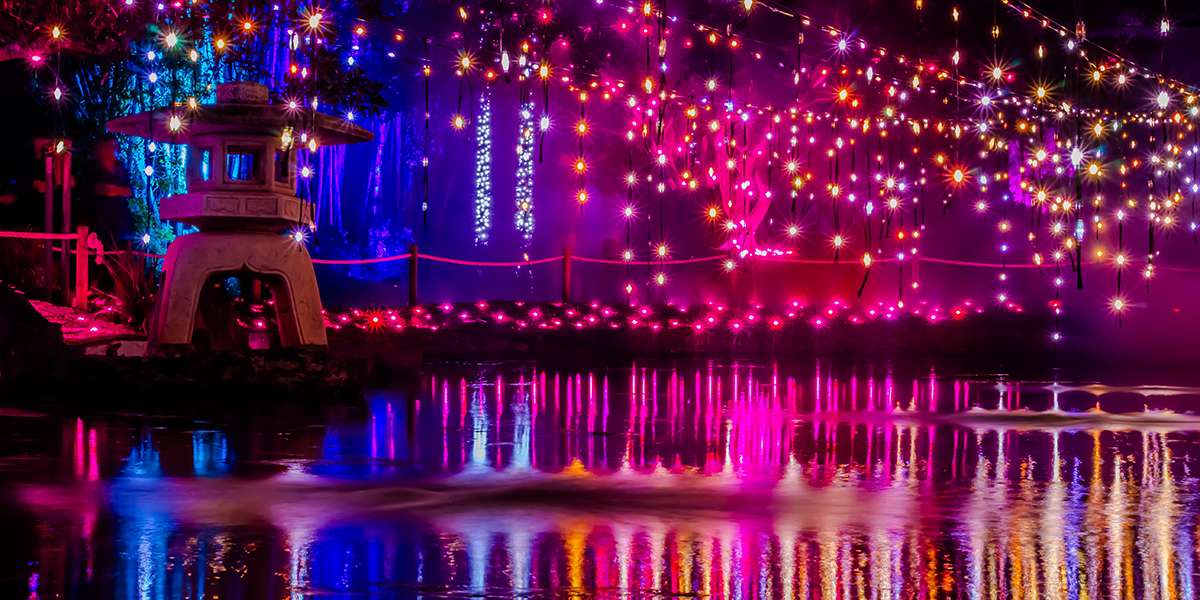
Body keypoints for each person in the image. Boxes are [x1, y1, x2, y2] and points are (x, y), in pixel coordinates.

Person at [84, 136, 134, 249]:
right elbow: (98, 189)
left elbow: (128, 191)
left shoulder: (119, 167)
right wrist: (116, 190)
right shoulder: (93, 168)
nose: (110, 150)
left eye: (112, 147)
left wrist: (111, 188)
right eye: (106, 147)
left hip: (121, 223)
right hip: (101, 223)